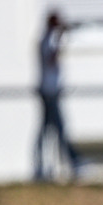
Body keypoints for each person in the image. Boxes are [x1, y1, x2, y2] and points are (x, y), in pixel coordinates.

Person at [33, 10, 83, 181]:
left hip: (51, 91)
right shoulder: (46, 41)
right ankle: (73, 162)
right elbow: (52, 60)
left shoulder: (48, 40)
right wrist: (62, 37)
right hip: (49, 93)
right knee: (58, 129)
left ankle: (42, 166)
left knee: (46, 130)